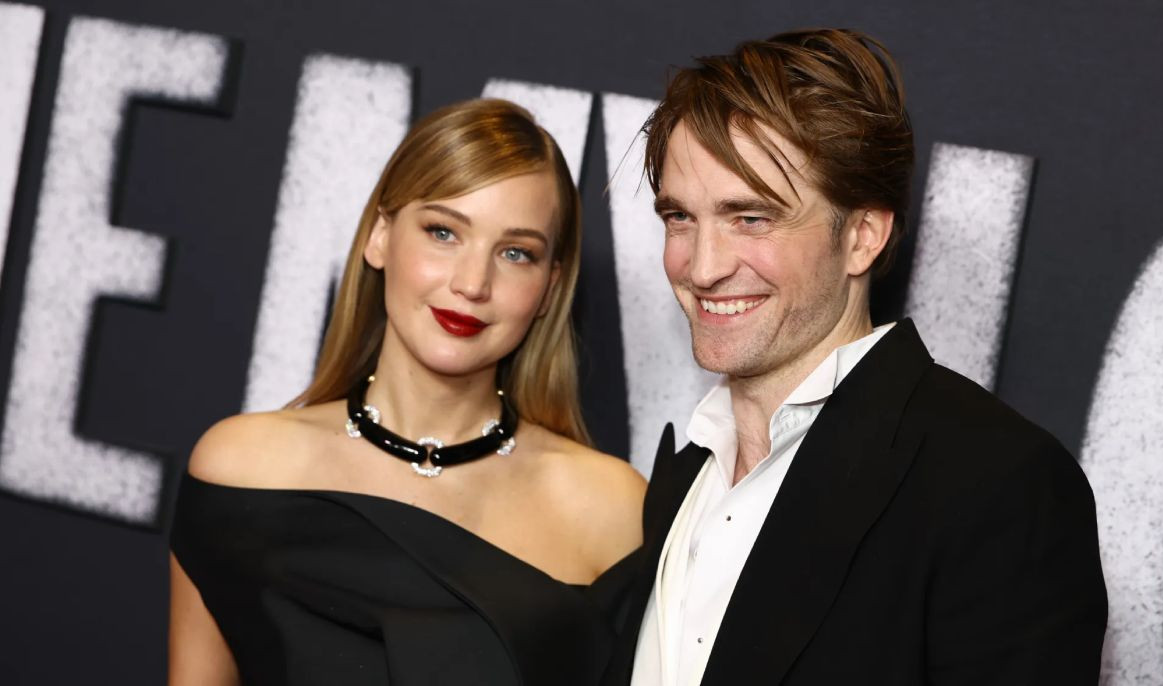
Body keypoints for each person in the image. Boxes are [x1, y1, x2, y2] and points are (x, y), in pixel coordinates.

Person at [604, 29, 1107, 685]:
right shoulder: (686, 473)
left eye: (751, 218)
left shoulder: (998, 487)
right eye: (680, 218)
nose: (701, 267)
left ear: (863, 236)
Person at [168, 99, 646, 686]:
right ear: (379, 236)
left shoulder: (609, 510)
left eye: (515, 253)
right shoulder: (240, 470)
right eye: (443, 232)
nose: (472, 283)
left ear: (549, 289)